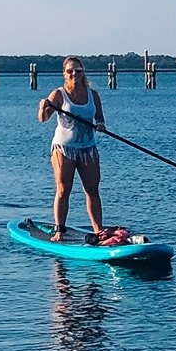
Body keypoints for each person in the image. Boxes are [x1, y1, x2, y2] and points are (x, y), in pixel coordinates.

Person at [39, 56, 110, 241]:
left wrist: (101, 124)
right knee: (64, 189)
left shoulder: (92, 94)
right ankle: (59, 231)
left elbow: (99, 117)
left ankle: (98, 231)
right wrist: (42, 107)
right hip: (64, 148)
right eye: (70, 71)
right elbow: (43, 118)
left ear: (82, 73)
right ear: (65, 73)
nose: (74, 74)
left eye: (78, 71)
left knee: (92, 190)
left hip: (88, 147)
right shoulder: (58, 94)